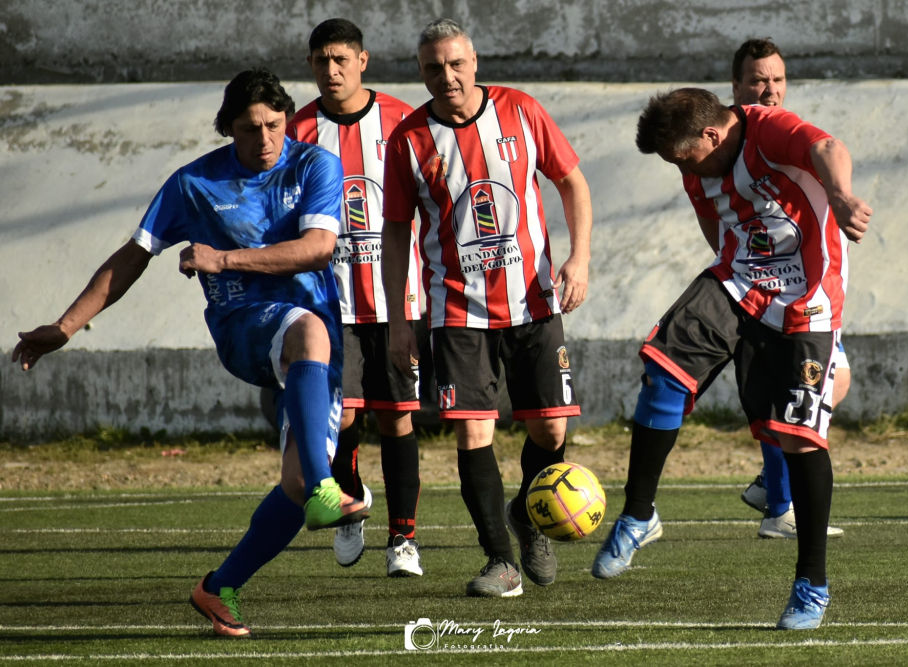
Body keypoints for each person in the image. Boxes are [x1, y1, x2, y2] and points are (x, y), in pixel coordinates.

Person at [11, 68, 369, 638]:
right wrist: (65, 326)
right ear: (228, 128)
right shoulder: (194, 183)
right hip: (244, 329)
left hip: (312, 339)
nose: (265, 138)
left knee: (296, 484)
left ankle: (219, 586)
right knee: (306, 331)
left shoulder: (314, 164)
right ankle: (331, 488)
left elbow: (319, 248)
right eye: (250, 128)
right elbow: (133, 255)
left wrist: (223, 259)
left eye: (274, 125)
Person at [591, 87, 871, 631]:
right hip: (739, 279)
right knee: (663, 372)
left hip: (806, 295)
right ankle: (638, 514)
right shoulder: (694, 158)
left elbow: (828, 146)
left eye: (683, 157)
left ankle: (811, 583)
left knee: (799, 438)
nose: (681, 168)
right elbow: (713, 217)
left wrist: (839, 196)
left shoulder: (765, 130)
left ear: (713, 135)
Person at [380, 18, 593, 598]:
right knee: (474, 433)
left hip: (535, 301)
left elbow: (572, 181)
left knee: (549, 430)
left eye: (455, 64)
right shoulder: (409, 140)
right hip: (457, 314)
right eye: (432, 68)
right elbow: (396, 231)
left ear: (474, 63)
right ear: (421, 73)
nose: (446, 77)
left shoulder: (521, 111)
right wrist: (401, 321)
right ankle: (500, 560)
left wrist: (579, 258)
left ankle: (528, 514)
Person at [286, 17, 423, 577]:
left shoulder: (402, 121)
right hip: (326, 304)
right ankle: (349, 504)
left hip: (395, 300)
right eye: (321, 60)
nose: (332, 70)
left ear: (363, 60)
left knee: (396, 420)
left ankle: (403, 540)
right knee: (340, 422)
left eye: (341, 59)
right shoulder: (296, 130)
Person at [729, 38, 848, 540]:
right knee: (816, 388)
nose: (770, 89)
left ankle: (771, 487)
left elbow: (823, 148)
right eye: (759, 80)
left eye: (777, 79)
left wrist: (838, 196)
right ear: (736, 87)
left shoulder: (779, 130)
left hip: (817, 286)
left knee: (827, 386)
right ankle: (779, 504)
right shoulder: (747, 135)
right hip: (787, 296)